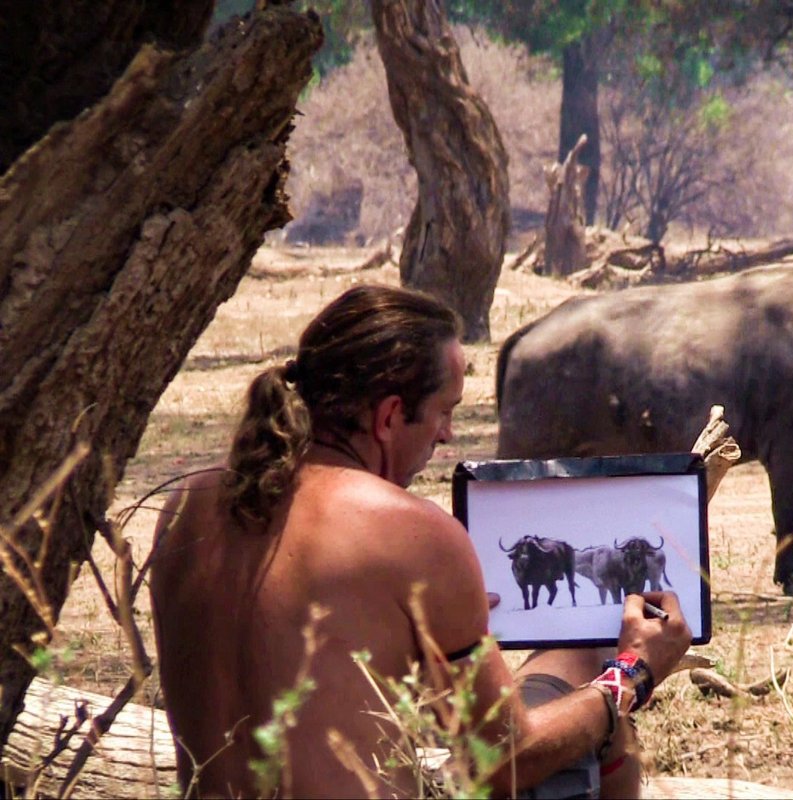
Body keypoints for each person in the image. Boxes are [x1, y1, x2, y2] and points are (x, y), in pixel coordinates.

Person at [150, 284, 693, 798]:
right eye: (445, 412)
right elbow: (503, 759)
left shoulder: (188, 504)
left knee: (567, 662)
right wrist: (632, 675)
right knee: (596, 690)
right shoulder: (412, 531)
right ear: (389, 416)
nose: (447, 434)